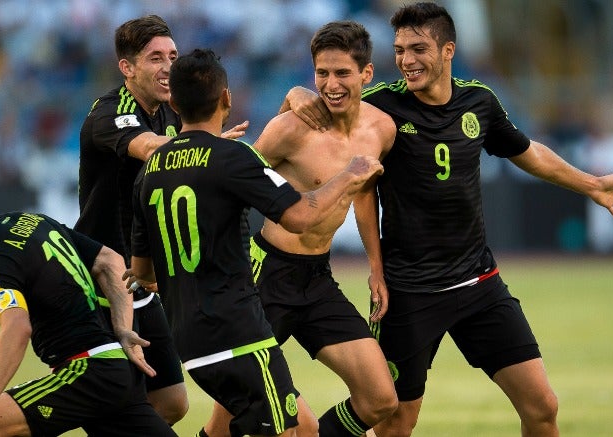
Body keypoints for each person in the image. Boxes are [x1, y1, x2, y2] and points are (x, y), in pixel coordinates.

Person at [283, 3, 613, 436]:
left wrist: (591, 184)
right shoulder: (380, 108)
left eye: (418, 48)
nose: (406, 60)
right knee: (396, 425)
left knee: (543, 407)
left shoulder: (479, 102)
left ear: (448, 50)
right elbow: (332, 114)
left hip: (479, 285)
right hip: (409, 294)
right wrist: (298, 95)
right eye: (399, 49)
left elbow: (529, 154)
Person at [129, 48, 384, 436]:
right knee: (293, 431)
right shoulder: (234, 157)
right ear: (227, 98)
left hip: (188, 335)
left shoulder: (151, 169)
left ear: (175, 102)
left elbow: (143, 270)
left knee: (307, 428)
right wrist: (349, 176)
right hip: (238, 330)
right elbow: (299, 216)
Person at [206, 20, 397, 437]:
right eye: (322, 73)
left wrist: (376, 268)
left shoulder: (382, 129)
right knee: (237, 419)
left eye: (342, 73)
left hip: (317, 279)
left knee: (381, 399)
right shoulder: (292, 128)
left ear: (366, 74)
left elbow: (365, 196)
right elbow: (234, 185)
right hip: (264, 278)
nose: (330, 84)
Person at [0, 169, 177, 437]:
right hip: (116, 369)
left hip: (85, 372)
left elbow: (17, 327)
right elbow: (110, 261)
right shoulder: (33, 221)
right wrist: (123, 330)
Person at [74, 15, 248, 425]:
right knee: (111, 395)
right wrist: (206, 146)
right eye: (155, 58)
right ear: (127, 68)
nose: (168, 65)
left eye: (172, 55)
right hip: (98, 277)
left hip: (142, 276)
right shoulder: (108, 112)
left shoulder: (172, 114)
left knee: (171, 403)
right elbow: (152, 148)